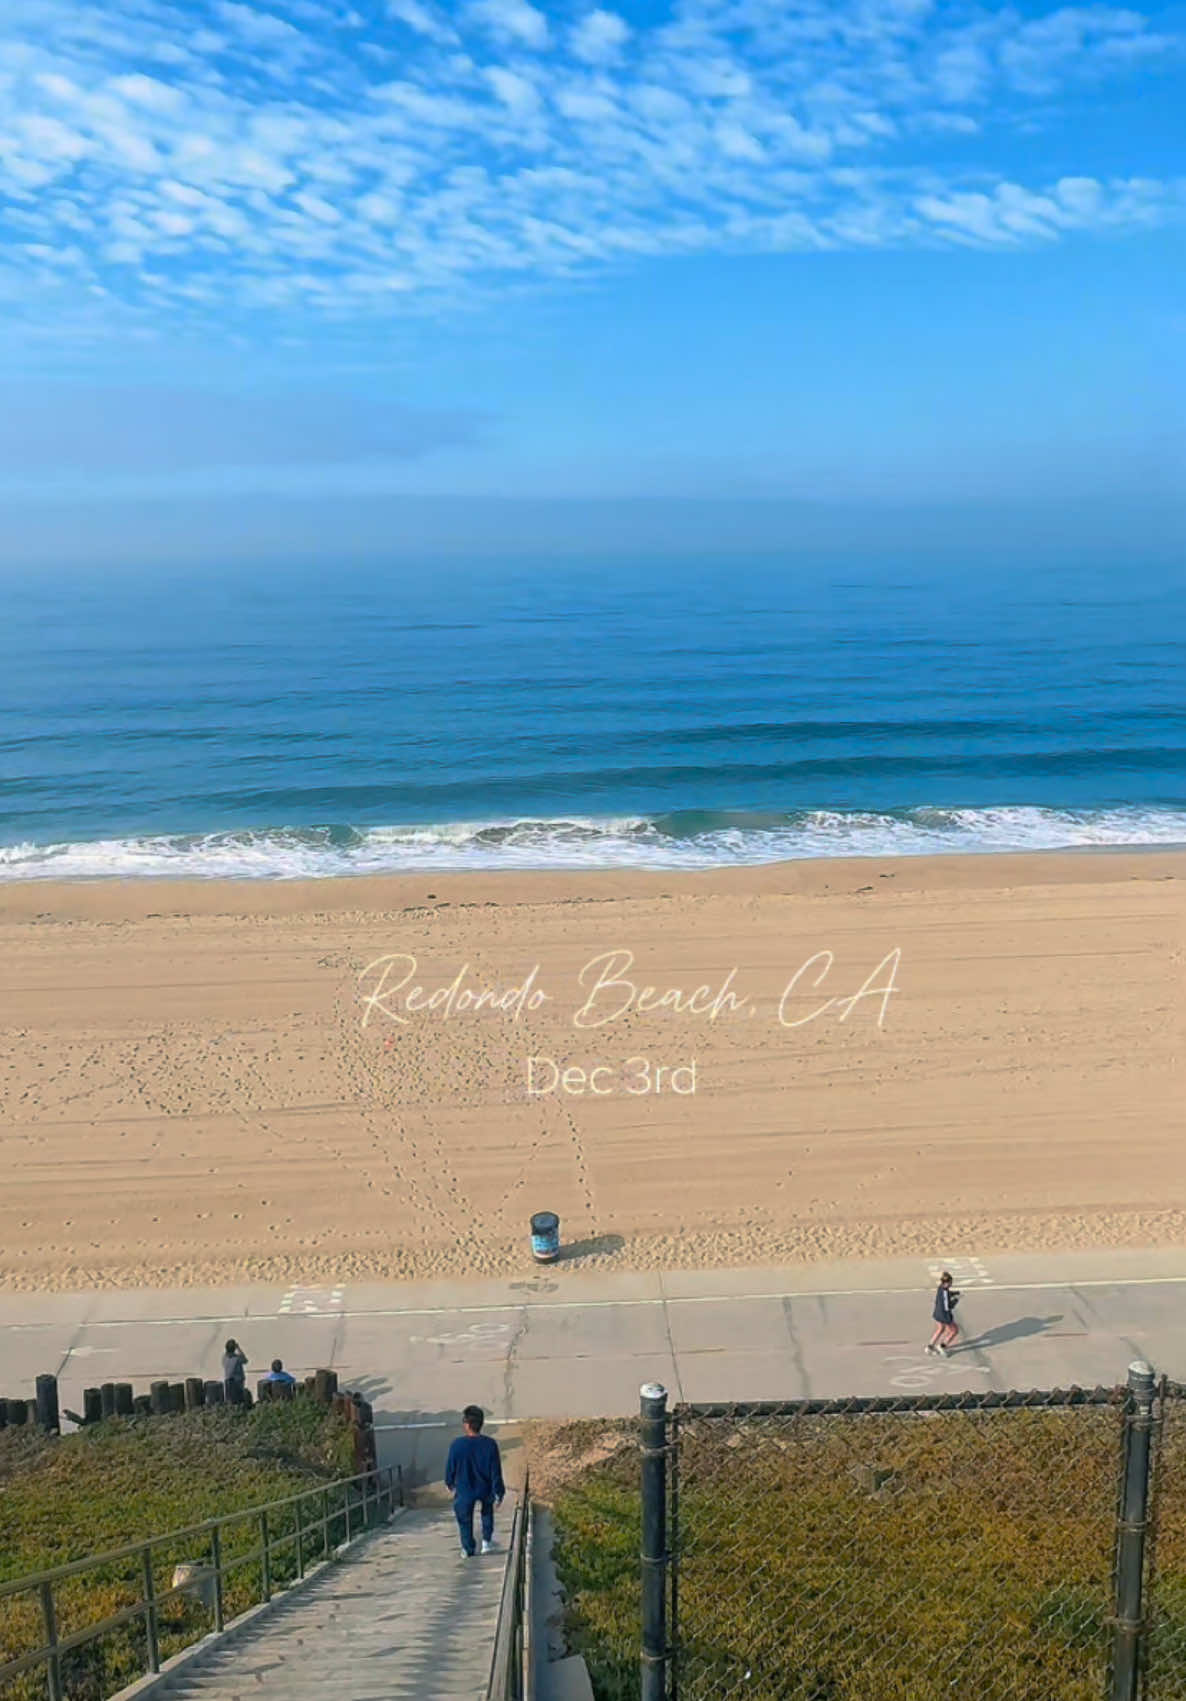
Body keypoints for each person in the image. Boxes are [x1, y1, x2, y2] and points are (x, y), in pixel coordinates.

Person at [445, 1405, 505, 1558]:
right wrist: (499, 1491)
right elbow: (496, 1471)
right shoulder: (490, 1444)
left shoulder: (457, 1445)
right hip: (485, 1487)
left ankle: (467, 1548)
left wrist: (449, 1483)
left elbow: (450, 1467)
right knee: (487, 1512)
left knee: (464, 1518)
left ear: (467, 1424)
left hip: (465, 1488)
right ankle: (486, 1541)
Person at [926, 1273, 961, 1356]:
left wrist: (954, 1293)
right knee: (954, 1330)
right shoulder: (945, 1292)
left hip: (937, 1313)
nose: (951, 1284)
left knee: (940, 1329)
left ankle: (930, 1347)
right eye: (950, 1282)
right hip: (944, 1316)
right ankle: (942, 1346)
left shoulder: (941, 1287)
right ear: (947, 1283)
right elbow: (948, 1307)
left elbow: (947, 1293)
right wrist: (956, 1300)